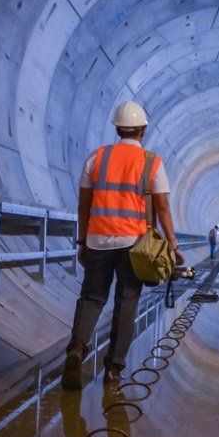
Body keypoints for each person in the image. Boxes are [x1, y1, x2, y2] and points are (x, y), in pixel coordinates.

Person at [63, 101, 184, 389]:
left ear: (118, 129)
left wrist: (82, 241)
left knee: (92, 298)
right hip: (134, 246)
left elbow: (83, 206)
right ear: (142, 130)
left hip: (98, 240)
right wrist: (173, 244)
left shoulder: (96, 158)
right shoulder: (152, 162)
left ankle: (77, 349)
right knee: (126, 304)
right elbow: (163, 208)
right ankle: (113, 370)